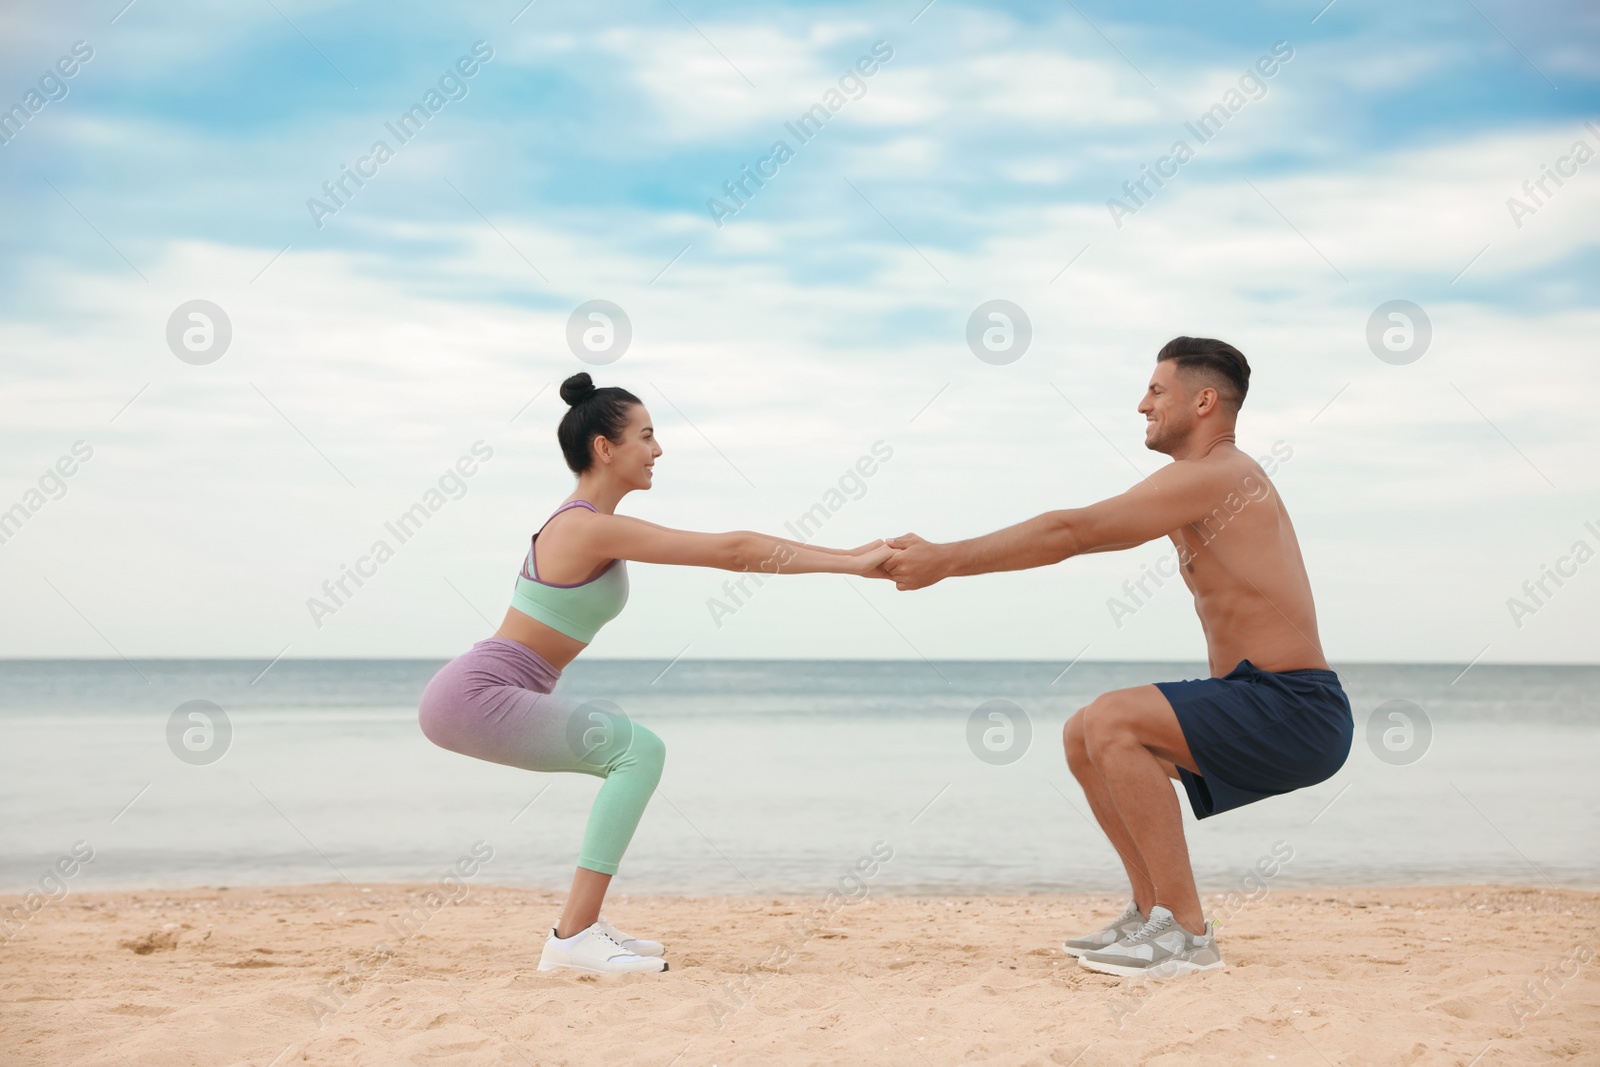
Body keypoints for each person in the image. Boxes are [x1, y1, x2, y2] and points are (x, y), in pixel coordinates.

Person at [882, 336, 1351, 979]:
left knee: (1112, 718)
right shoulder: (1201, 479)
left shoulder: (1222, 477)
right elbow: (1074, 530)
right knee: (1083, 734)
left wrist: (945, 561)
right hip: (1265, 700)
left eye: (1157, 391)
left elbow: (1072, 532)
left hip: (1296, 708)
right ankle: (1151, 911)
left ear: (1205, 400)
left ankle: (1187, 935)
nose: (1141, 404)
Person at [418, 372, 897, 975]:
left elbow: (734, 549)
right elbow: (733, 550)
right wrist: (850, 562)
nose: (658, 449)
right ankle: (571, 940)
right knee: (637, 752)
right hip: (474, 694)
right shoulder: (586, 526)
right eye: (647, 435)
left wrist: (849, 562)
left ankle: (583, 929)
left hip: (480, 688)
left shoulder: (584, 522)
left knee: (633, 752)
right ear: (604, 448)